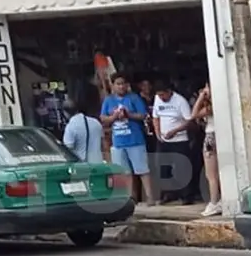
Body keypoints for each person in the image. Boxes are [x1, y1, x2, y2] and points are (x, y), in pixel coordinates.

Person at [100, 74, 155, 205]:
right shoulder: (108, 100)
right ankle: (131, 198)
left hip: (135, 140)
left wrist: (128, 114)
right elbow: (103, 118)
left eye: (123, 83)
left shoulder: (134, 98)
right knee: (125, 172)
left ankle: (150, 197)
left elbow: (143, 115)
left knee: (142, 170)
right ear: (113, 85)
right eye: (118, 84)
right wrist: (113, 117)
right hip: (118, 142)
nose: (121, 86)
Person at [152, 80, 196, 205]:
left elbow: (189, 121)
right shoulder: (157, 99)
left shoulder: (180, 101)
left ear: (169, 91)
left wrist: (175, 131)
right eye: (159, 95)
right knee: (163, 168)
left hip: (179, 139)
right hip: (163, 139)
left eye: (163, 95)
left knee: (182, 167)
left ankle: (187, 195)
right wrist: (157, 132)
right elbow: (156, 116)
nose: (161, 98)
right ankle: (168, 193)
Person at [192, 83, 222, 216]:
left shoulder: (211, 106)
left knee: (211, 174)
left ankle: (214, 202)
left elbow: (194, 114)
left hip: (211, 137)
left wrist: (200, 97)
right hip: (218, 136)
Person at [62, 94, 103, 164]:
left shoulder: (70, 127)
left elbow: (68, 149)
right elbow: (103, 144)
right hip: (98, 163)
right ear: (77, 109)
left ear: (65, 113)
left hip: (82, 166)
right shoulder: (95, 122)